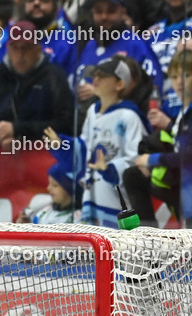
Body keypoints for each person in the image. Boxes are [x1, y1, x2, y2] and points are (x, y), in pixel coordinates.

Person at [124, 50, 192, 226]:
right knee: (134, 177)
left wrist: (151, 159)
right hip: (191, 190)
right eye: (174, 77)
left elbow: (191, 156)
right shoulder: (187, 111)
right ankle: (148, 238)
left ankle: (150, 238)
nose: (179, 82)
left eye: (186, 75)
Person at [60, 56, 149, 227]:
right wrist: (62, 144)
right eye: (95, 75)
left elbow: (136, 159)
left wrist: (110, 169)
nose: (96, 79)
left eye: (103, 76)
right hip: (92, 194)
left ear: (120, 84)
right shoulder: (92, 112)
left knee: (120, 249)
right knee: (93, 247)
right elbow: (85, 146)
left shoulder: (129, 117)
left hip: (118, 199)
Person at [0, 20, 73, 146]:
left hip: (43, 154)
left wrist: (18, 130)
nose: (20, 54)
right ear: (8, 48)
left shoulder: (55, 77)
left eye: (26, 48)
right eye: (15, 48)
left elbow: (65, 124)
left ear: (38, 49)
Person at [74, 0, 163, 104]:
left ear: (123, 12)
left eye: (111, 11)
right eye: (98, 11)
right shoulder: (89, 46)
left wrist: (101, 93)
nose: (104, 17)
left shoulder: (135, 45)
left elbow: (152, 90)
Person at [17, 160, 83, 224]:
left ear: (70, 189)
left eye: (55, 185)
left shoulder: (78, 218)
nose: (48, 188)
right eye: (49, 183)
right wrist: (26, 226)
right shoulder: (44, 212)